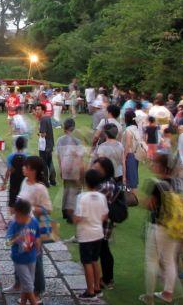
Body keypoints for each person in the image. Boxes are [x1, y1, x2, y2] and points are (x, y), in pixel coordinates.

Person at [140, 153, 183, 304]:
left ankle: (149, 296)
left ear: (161, 166)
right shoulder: (177, 183)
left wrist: (140, 199)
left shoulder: (157, 184)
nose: (152, 165)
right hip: (174, 227)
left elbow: (149, 204)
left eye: (154, 162)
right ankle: (168, 293)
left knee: (151, 260)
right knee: (170, 260)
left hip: (158, 225)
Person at [15, 156, 52, 301]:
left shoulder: (40, 188)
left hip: (33, 229)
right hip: (21, 225)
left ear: (34, 170)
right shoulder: (24, 181)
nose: (23, 168)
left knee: (35, 260)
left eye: (26, 167)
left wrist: (30, 208)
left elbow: (48, 209)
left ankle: (37, 291)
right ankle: (23, 288)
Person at [74, 169, 109, 300]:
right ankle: (97, 288)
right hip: (98, 234)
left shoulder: (81, 197)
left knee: (87, 262)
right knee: (95, 260)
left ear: (86, 182)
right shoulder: (102, 196)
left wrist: (75, 217)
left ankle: (90, 291)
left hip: (86, 235)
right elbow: (105, 216)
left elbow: (77, 217)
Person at [6, 199, 41, 305]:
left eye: (18, 216)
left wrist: (37, 242)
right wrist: (17, 238)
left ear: (26, 215)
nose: (16, 218)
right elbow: (7, 242)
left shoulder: (34, 222)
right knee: (29, 285)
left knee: (27, 284)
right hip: (19, 259)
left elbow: (38, 235)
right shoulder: (14, 224)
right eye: (15, 215)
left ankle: (23, 302)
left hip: (32, 258)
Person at [91, 157, 118, 290]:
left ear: (105, 170)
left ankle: (107, 279)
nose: (94, 172)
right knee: (103, 250)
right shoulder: (106, 182)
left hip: (103, 224)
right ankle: (106, 278)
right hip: (101, 222)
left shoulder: (106, 186)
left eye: (97, 170)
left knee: (103, 250)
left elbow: (91, 198)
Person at [57, 118, 85, 222]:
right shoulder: (77, 140)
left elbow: (58, 156)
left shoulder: (60, 140)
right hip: (75, 168)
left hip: (65, 167)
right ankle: (71, 214)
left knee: (66, 189)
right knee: (75, 191)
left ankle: (65, 212)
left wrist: (60, 168)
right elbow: (80, 157)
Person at [2, 136, 28, 209]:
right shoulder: (27, 157)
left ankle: (13, 217)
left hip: (13, 183)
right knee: (23, 203)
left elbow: (9, 171)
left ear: (15, 146)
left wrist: (4, 184)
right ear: (24, 146)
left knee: (12, 204)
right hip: (23, 184)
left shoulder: (10, 157)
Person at [34, 103, 56, 187]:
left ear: (43, 111)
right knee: (50, 162)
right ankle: (53, 180)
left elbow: (43, 134)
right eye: (36, 109)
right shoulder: (47, 118)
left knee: (44, 163)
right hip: (50, 143)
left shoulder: (43, 119)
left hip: (44, 145)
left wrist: (38, 133)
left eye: (38, 109)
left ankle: (45, 182)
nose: (37, 111)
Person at [123, 110, 142, 193]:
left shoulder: (128, 130)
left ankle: (131, 196)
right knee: (133, 175)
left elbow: (127, 145)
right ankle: (132, 194)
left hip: (130, 154)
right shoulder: (136, 129)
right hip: (136, 154)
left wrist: (124, 156)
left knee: (129, 176)